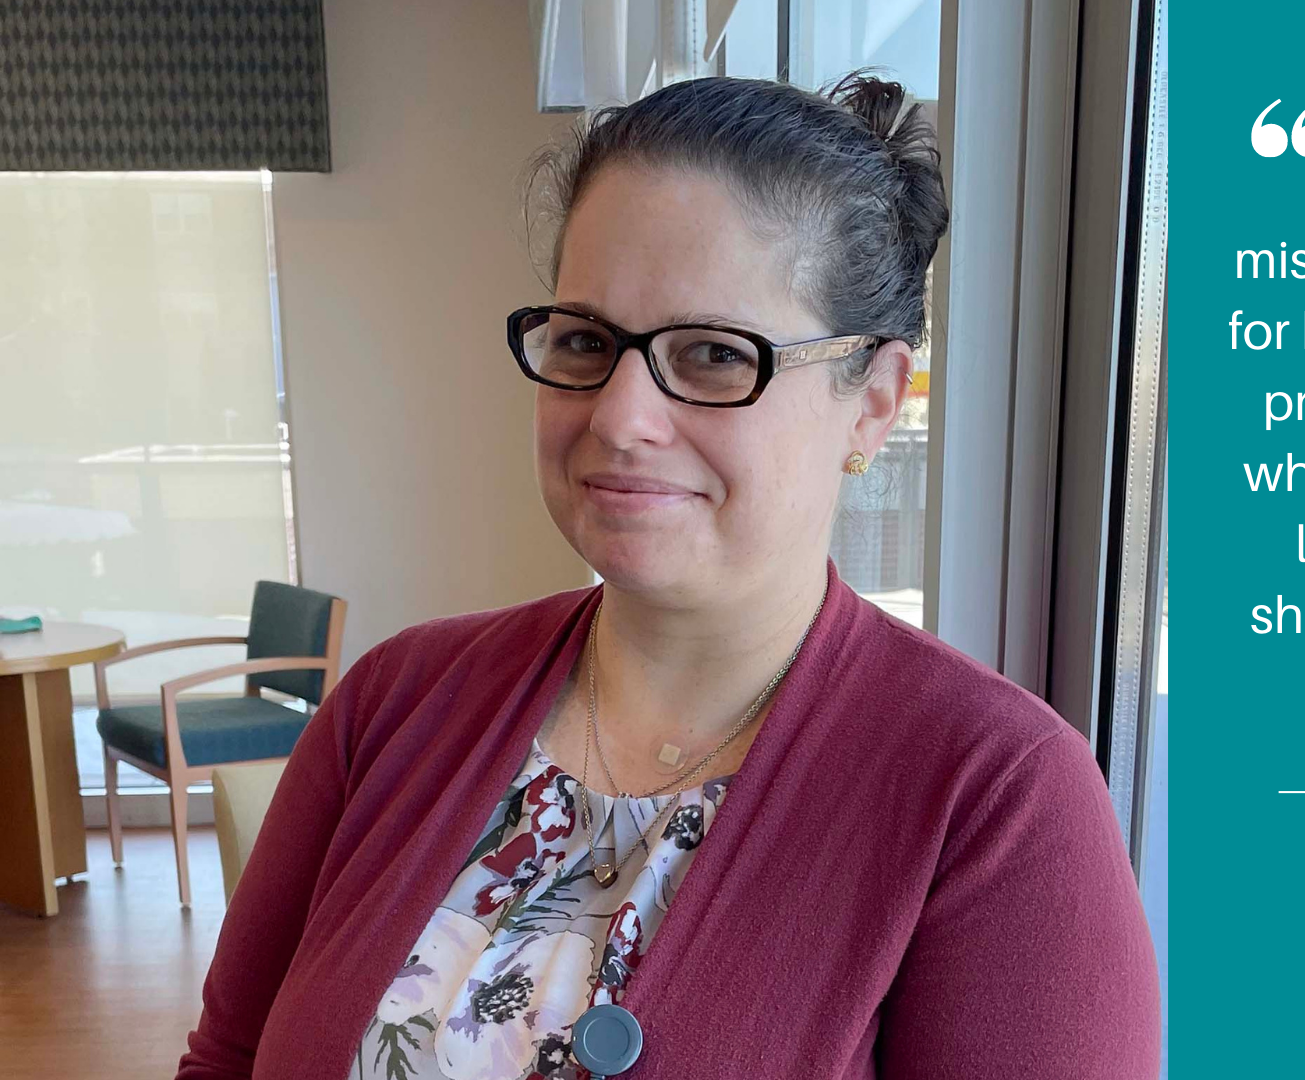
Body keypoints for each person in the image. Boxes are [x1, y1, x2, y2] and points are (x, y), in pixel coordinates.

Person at [176, 73, 1158, 1080]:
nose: (617, 417)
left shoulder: (998, 798)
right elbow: (230, 1057)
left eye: (713, 356)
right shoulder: (394, 703)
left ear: (871, 402)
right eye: (586, 342)